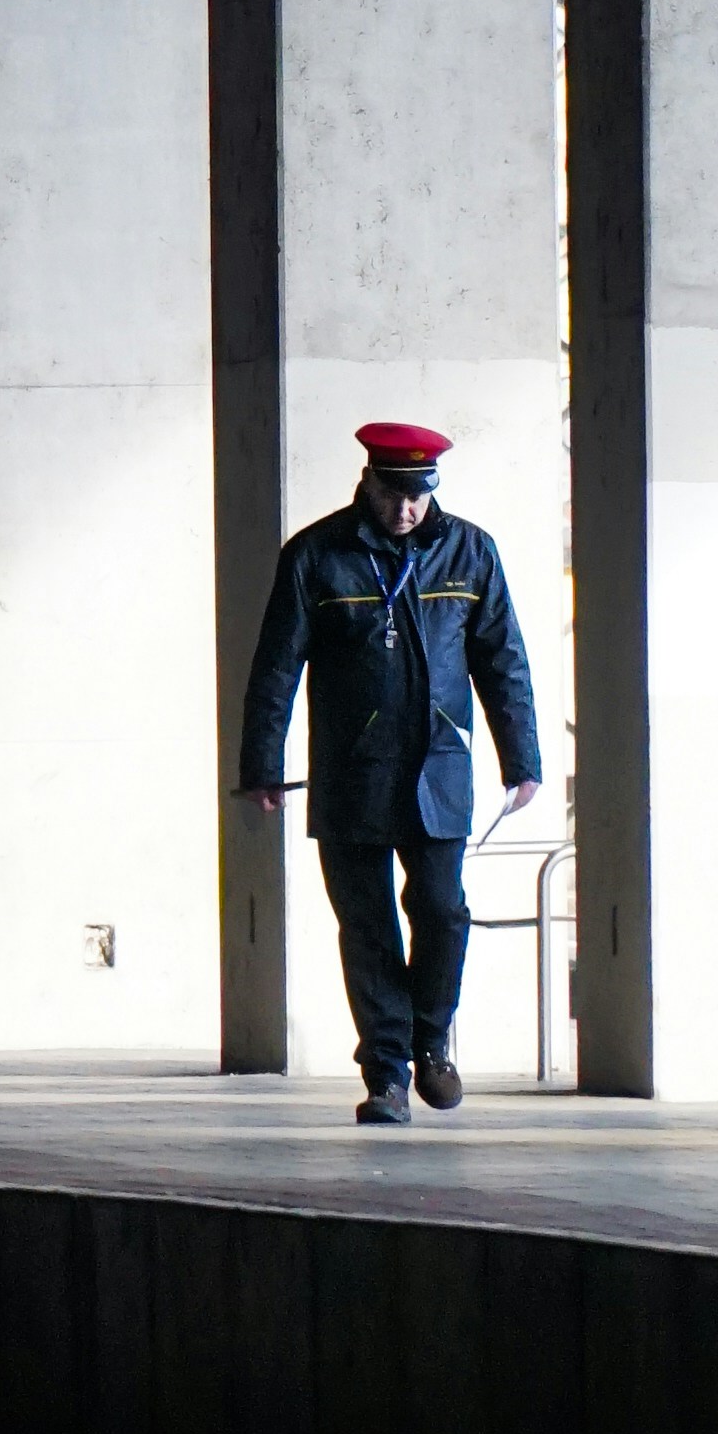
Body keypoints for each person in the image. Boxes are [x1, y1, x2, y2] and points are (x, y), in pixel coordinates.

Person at [235, 421, 541, 1122]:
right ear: (368, 481)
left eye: (419, 494)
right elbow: (276, 668)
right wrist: (264, 764)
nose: (406, 509)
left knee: (443, 911)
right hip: (351, 775)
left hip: (438, 771)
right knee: (367, 929)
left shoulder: (470, 552)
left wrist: (521, 758)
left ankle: (431, 1043)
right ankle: (387, 1077)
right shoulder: (317, 555)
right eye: (394, 492)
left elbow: (503, 659)